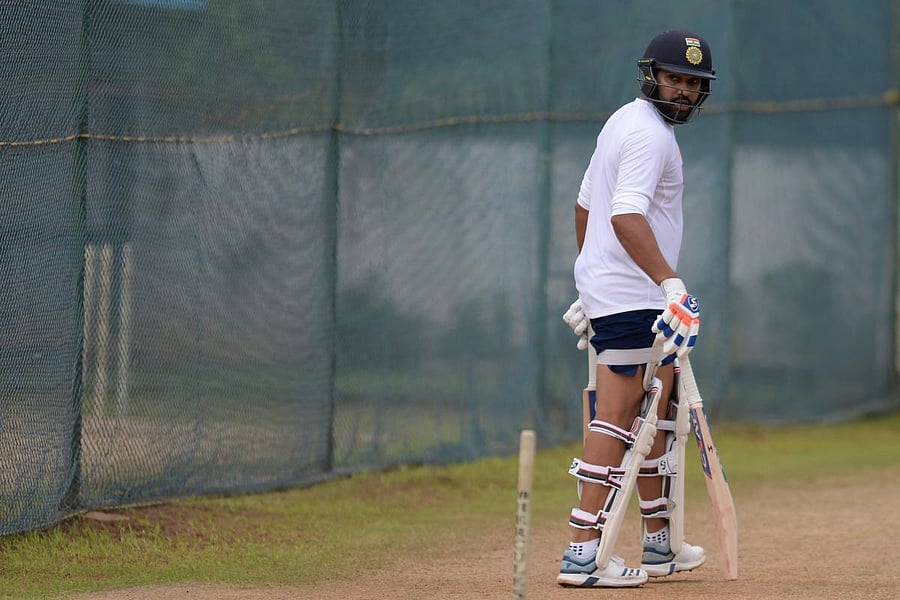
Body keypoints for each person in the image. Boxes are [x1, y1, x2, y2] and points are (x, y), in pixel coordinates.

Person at [556, 29, 716, 588]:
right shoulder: (650, 137)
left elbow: (584, 206)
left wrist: (590, 277)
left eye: (694, 84)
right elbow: (624, 216)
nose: (684, 91)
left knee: (661, 412)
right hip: (637, 294)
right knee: (618, 413)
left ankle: (658, 544)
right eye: (675, 79)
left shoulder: (622, 120)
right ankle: (582, 553)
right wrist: (668, 283)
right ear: (652, 75)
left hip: (623, 291)